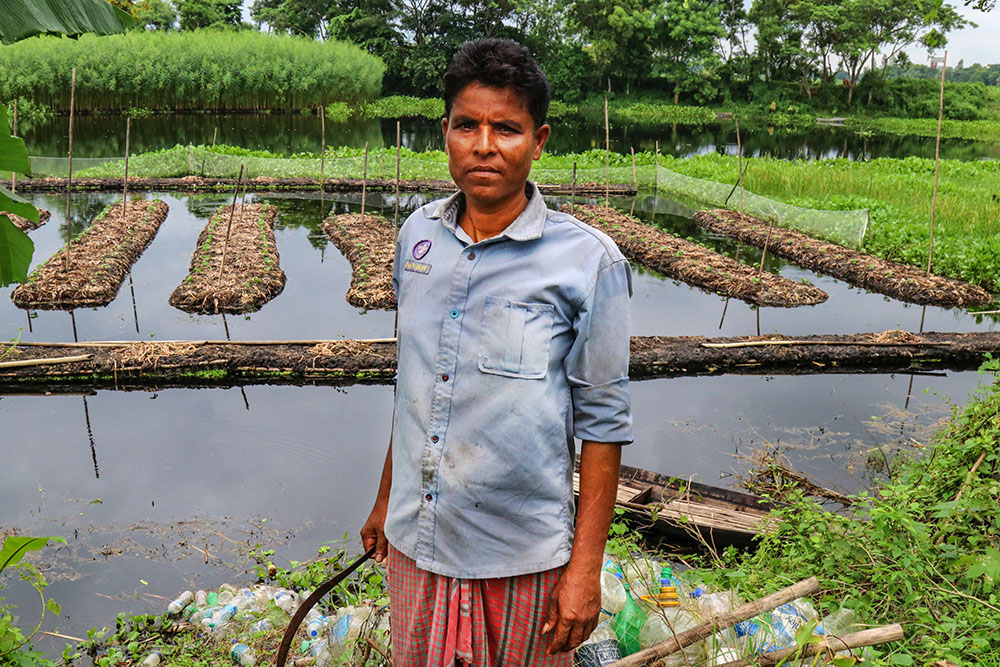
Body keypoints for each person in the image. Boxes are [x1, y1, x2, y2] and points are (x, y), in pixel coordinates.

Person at [361, 38, 633, 667]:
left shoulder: (588, 262)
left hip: (520, 554)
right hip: (416, 539)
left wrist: (584, 571)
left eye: (505, 129)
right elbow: (419, 389)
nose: (484, 145)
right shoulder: (416, 237)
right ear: (447, 133)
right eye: (467, 125)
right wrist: (385, 501)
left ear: (538, 142)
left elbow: (604, 424)